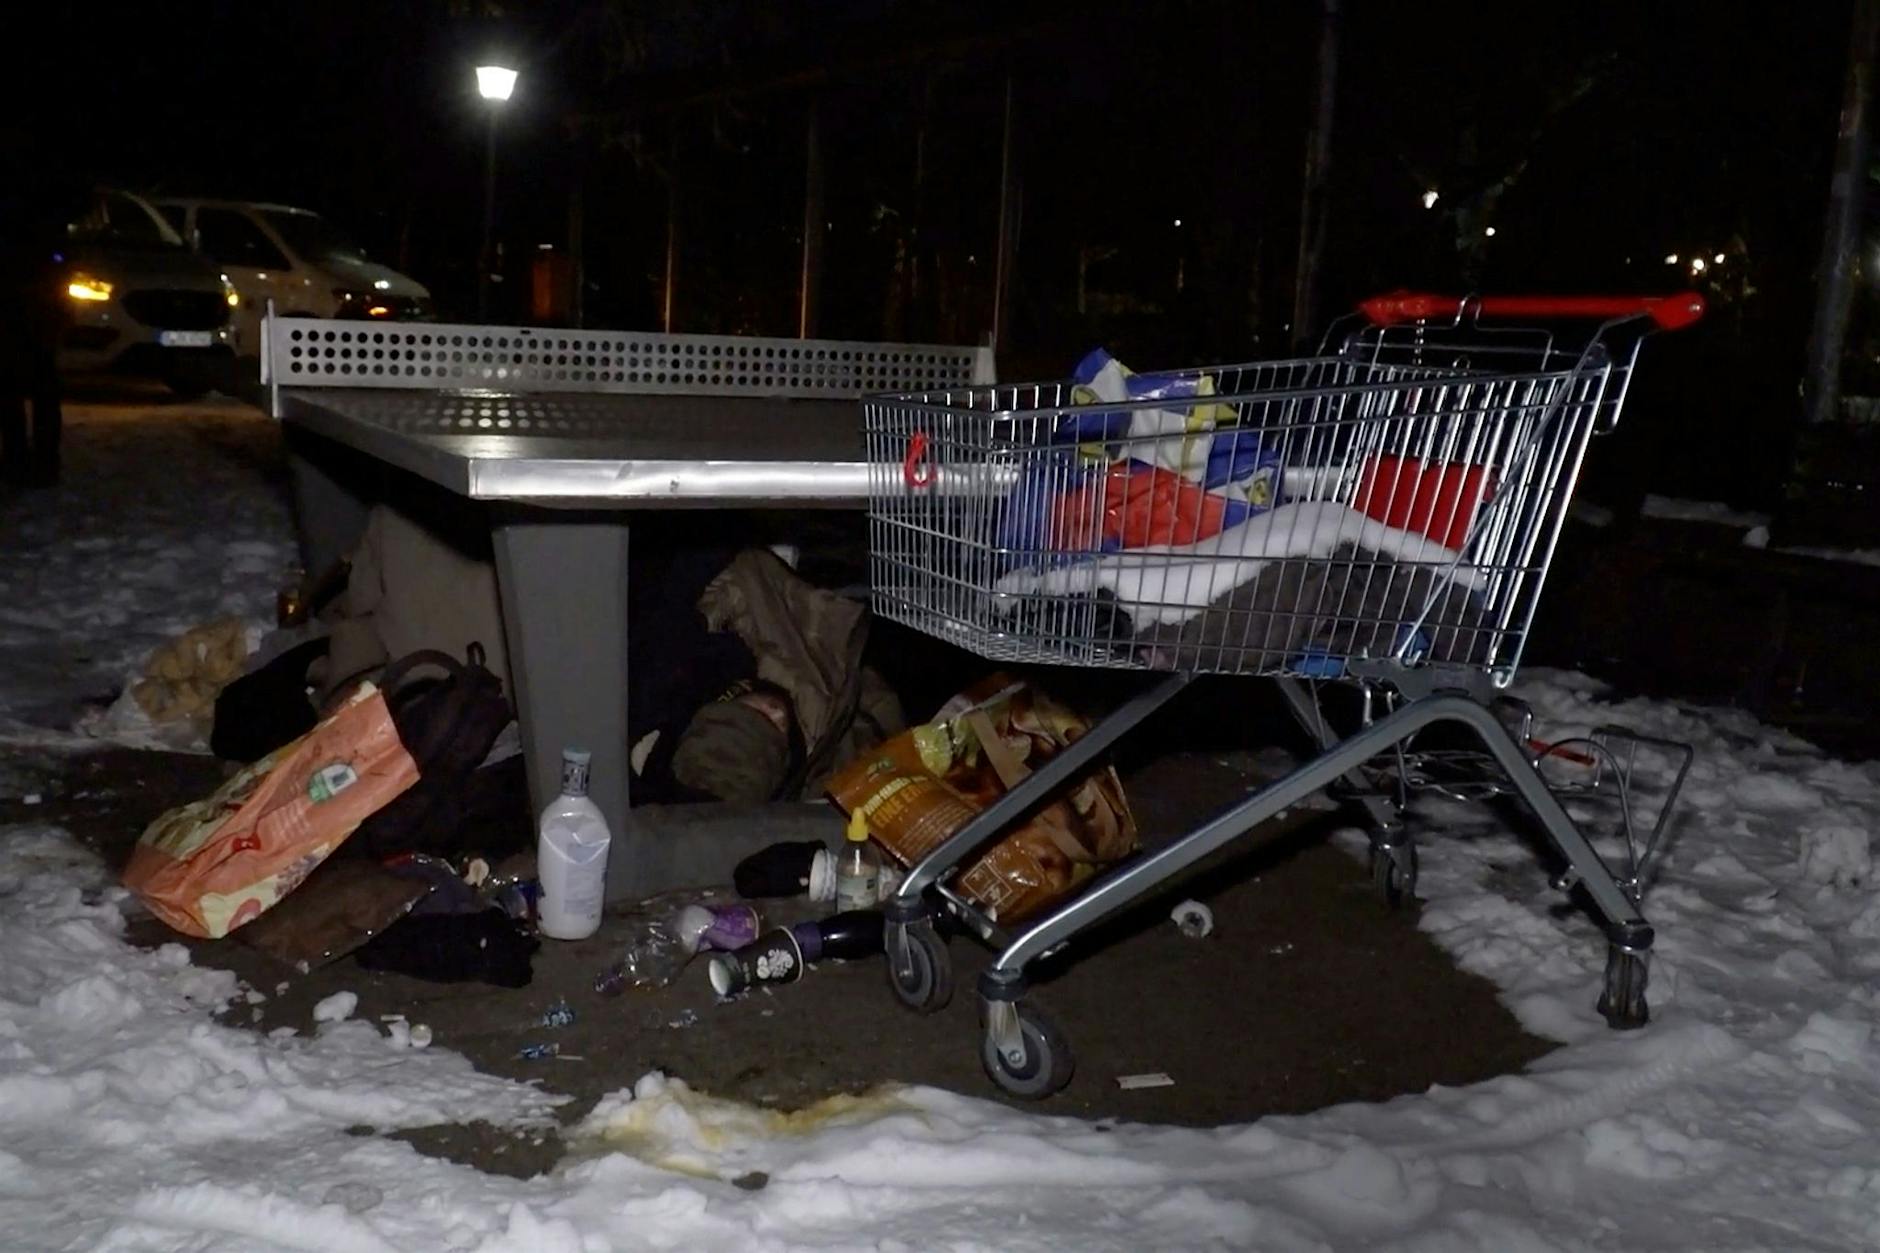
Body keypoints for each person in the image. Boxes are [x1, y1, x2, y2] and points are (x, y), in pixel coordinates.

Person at [0, 134, 74, 487]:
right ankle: (33, 463)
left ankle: (30, 462)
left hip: (31, 302)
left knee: (25, 388)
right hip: (30, 302)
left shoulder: (35, 205)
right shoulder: (42, 201)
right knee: (30, 388)